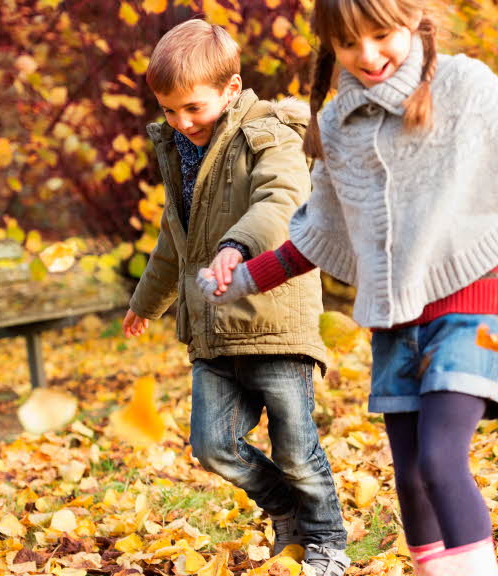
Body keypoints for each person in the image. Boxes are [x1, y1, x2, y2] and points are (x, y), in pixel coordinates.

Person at [196, 1, 498, 573]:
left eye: (382, 36)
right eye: (350, 43)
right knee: (408, 475)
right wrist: (243, 281)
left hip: (481, 303)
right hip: (397, 314)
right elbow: (319, 233)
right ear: (332, 44)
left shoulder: (464, 85)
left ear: (413, 22)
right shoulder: (335, 125)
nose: (369, 55)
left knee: (438, 458)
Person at [121, 18, 349, 576]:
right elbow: (173, 242)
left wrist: (236, 246)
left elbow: (281, 198)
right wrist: (144, 304)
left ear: (230, 87)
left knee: (296, 448)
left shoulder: (269, 133)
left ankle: (326, 541)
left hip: (275, 322)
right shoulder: (180, 152)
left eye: (193, 108)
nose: (181, 122)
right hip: (214, 331)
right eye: (169, 111)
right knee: (212, 445)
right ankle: (287, 513)